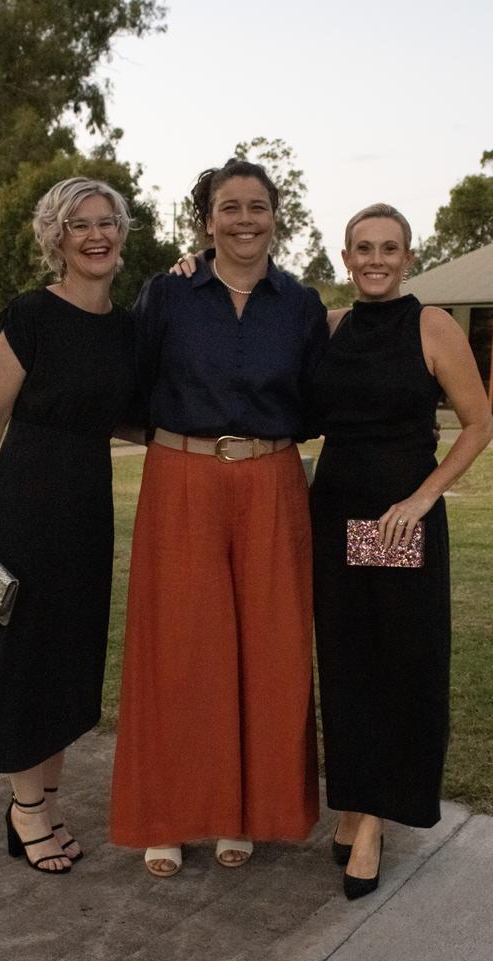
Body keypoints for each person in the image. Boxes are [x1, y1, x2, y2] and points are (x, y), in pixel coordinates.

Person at [109, 159, 328, 876]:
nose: (243, 219)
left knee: (269, 651)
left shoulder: (298, 304)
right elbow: (129, 387)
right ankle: (169, 816)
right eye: (228, 207)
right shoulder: (167, 295)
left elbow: (321, 400)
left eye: (256, 207)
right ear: (205, 219)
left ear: (275, 216)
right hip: (183, 479)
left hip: (271, 481)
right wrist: (185, 451)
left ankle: (242, 813)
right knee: (178, 649)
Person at [0, 176, 138, 874]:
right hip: (24, 499)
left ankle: (44, 801)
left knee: (67, 653)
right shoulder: (28, 314)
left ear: (121, 232)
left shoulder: (127, 327)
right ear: (56, 238)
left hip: (87, 501)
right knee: (24, 654)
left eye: (105, 222)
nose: (95, 235)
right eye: (78, 224)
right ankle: (26, 809)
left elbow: (134, 413)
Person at [310, 203, 493, 899]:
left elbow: (476, 425)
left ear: (409, 258)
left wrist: (422, 498)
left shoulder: (432, 324)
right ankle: (353, 801)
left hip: (397, 526)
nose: (376, 258)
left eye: (389, 247)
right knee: (347, 664)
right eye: (364, 248)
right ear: (347, 259)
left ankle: (378, 822)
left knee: (398, 668)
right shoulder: (333, 328)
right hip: (335, 516)